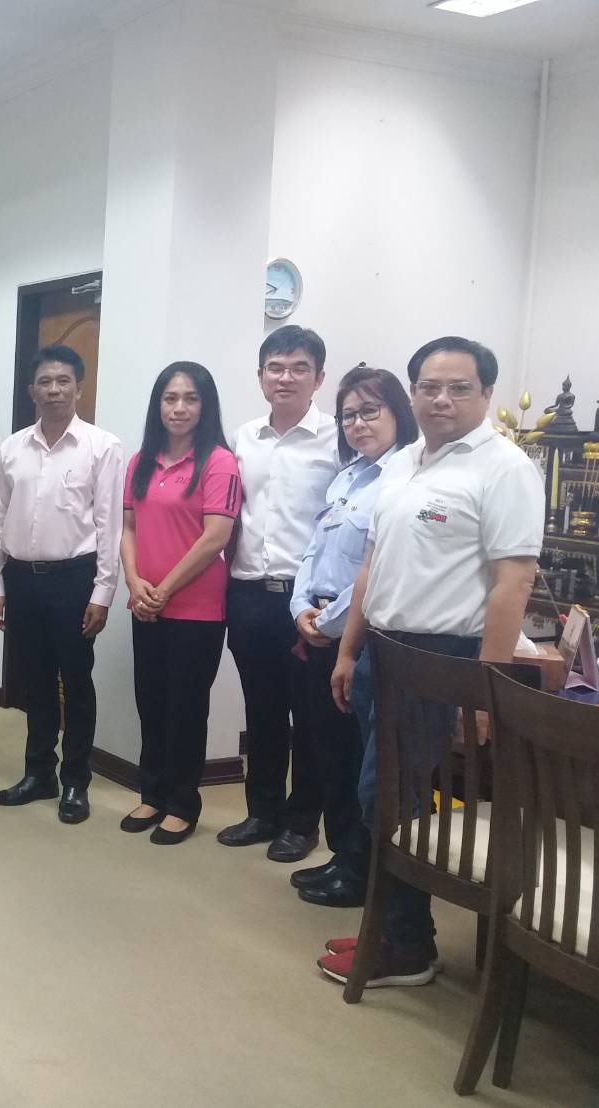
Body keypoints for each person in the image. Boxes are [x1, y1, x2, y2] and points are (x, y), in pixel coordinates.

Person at [319, 336, 543, 987]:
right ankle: (394, 929)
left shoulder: (504, 468)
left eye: (459, 388)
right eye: (429, 387)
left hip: (442, 659)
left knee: (385, 798)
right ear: (412, 393)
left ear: (486, 393)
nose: (442, 399)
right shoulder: (402, 463)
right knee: (391, 797)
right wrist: (348, 649)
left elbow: (513, 582)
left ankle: (407, 944)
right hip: (382, 652)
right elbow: (372, 563)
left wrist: (484, 689)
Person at [286, 366, 417, 909]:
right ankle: (343, 855)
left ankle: (363, 869)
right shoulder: (347, 478)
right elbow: (313, 552)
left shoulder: (404, 478)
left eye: (369, 411)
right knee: (329, 753)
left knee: (361, 758)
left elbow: (376, 568)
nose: (358, 424)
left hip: (360, 638)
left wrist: (331, 625)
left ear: (397, 413)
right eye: (348, 415)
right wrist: (300, 608)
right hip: (320, 628)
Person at [0, 345, 123, 824]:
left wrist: (103, 592)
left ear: (79, 388)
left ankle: (75, 781)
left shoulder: (102, 447)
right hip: (22, 579)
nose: (54, 389)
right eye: (45, 381)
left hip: (74, 580)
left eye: (64, 381)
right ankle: (38, 772)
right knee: (36, 681)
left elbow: (109, 525)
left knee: (76, 682)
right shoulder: (11, 448)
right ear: (32, 391)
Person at [218, 325, 339, 863]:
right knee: (262, 709)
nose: (285, 377)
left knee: (309, 715)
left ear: (319, 377)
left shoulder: (337, 438)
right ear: (261, 375)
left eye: (298, 368)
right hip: (248, 593)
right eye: (276, 367)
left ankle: (301, 821)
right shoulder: (243, 438)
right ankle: (262, 811)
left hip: (308, 602)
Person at [119, 362, 241, 845]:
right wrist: (134, 582)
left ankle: (182, 804)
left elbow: (216, 537)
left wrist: (164, 588)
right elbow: (128, 528)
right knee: (150, 702)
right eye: (170, 398)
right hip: (145, 603)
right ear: (158, 405)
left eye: (190, 398)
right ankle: (152, 793)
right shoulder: (140, 461)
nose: (179, 408)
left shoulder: (219, 462)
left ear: (205, 406)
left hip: (197, 610)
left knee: (186, 708)